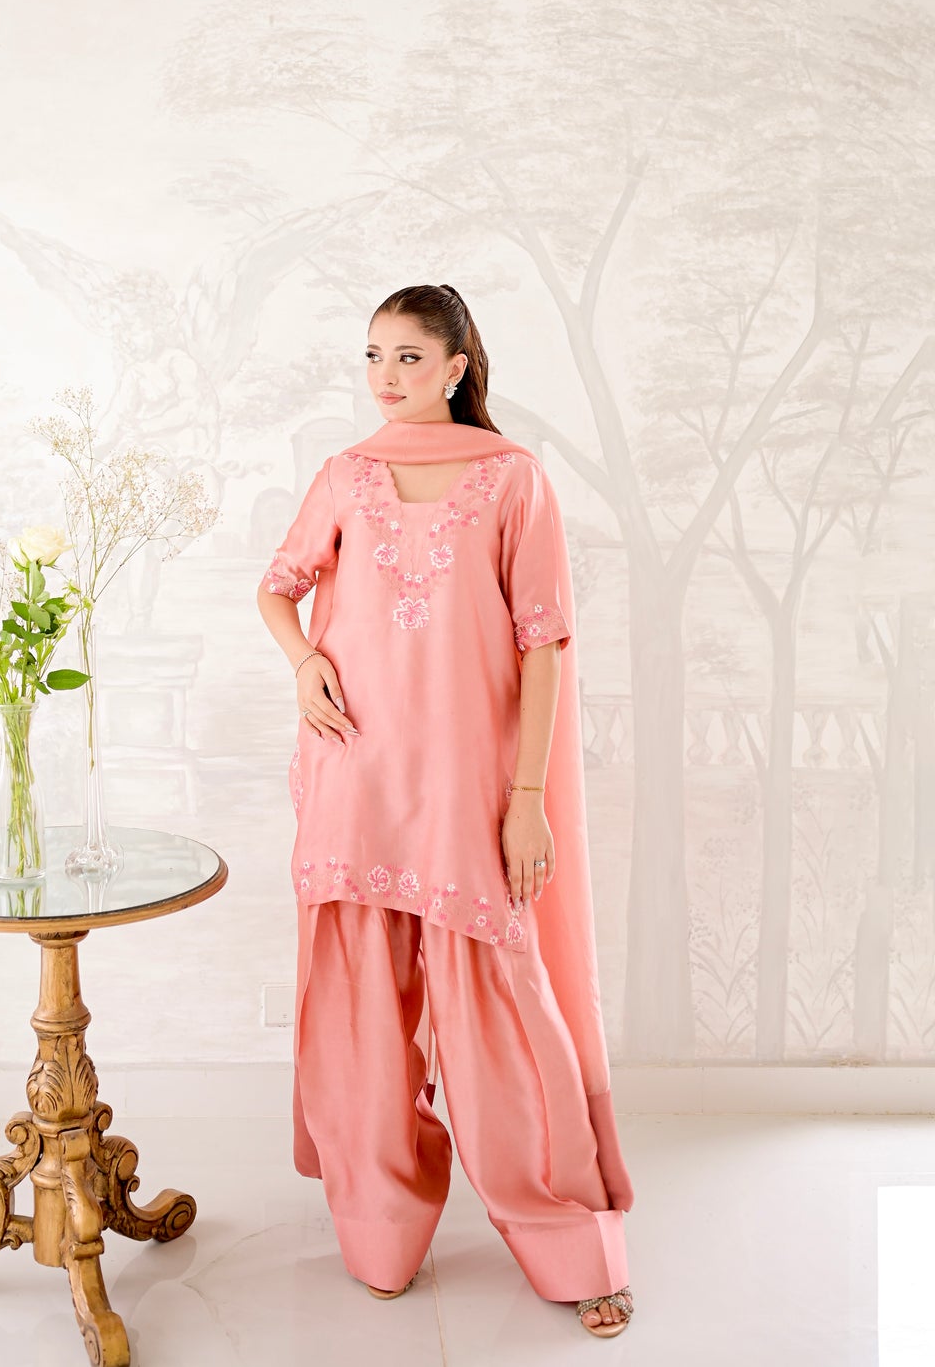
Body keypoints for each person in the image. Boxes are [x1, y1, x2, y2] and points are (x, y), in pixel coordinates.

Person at [255, 282, 635, 1339]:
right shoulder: (345, 473)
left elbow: (543, 643)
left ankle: (568, 1239)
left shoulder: (513, 480)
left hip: (468, 783)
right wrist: (304, 662)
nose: (386, 376)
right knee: (362, 1016)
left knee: (503, 1012)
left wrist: (527, 799)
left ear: (457, 367)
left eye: (410, 357)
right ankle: (379, 1230)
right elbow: (278, 586)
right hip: (355, 769)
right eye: (374, 355)